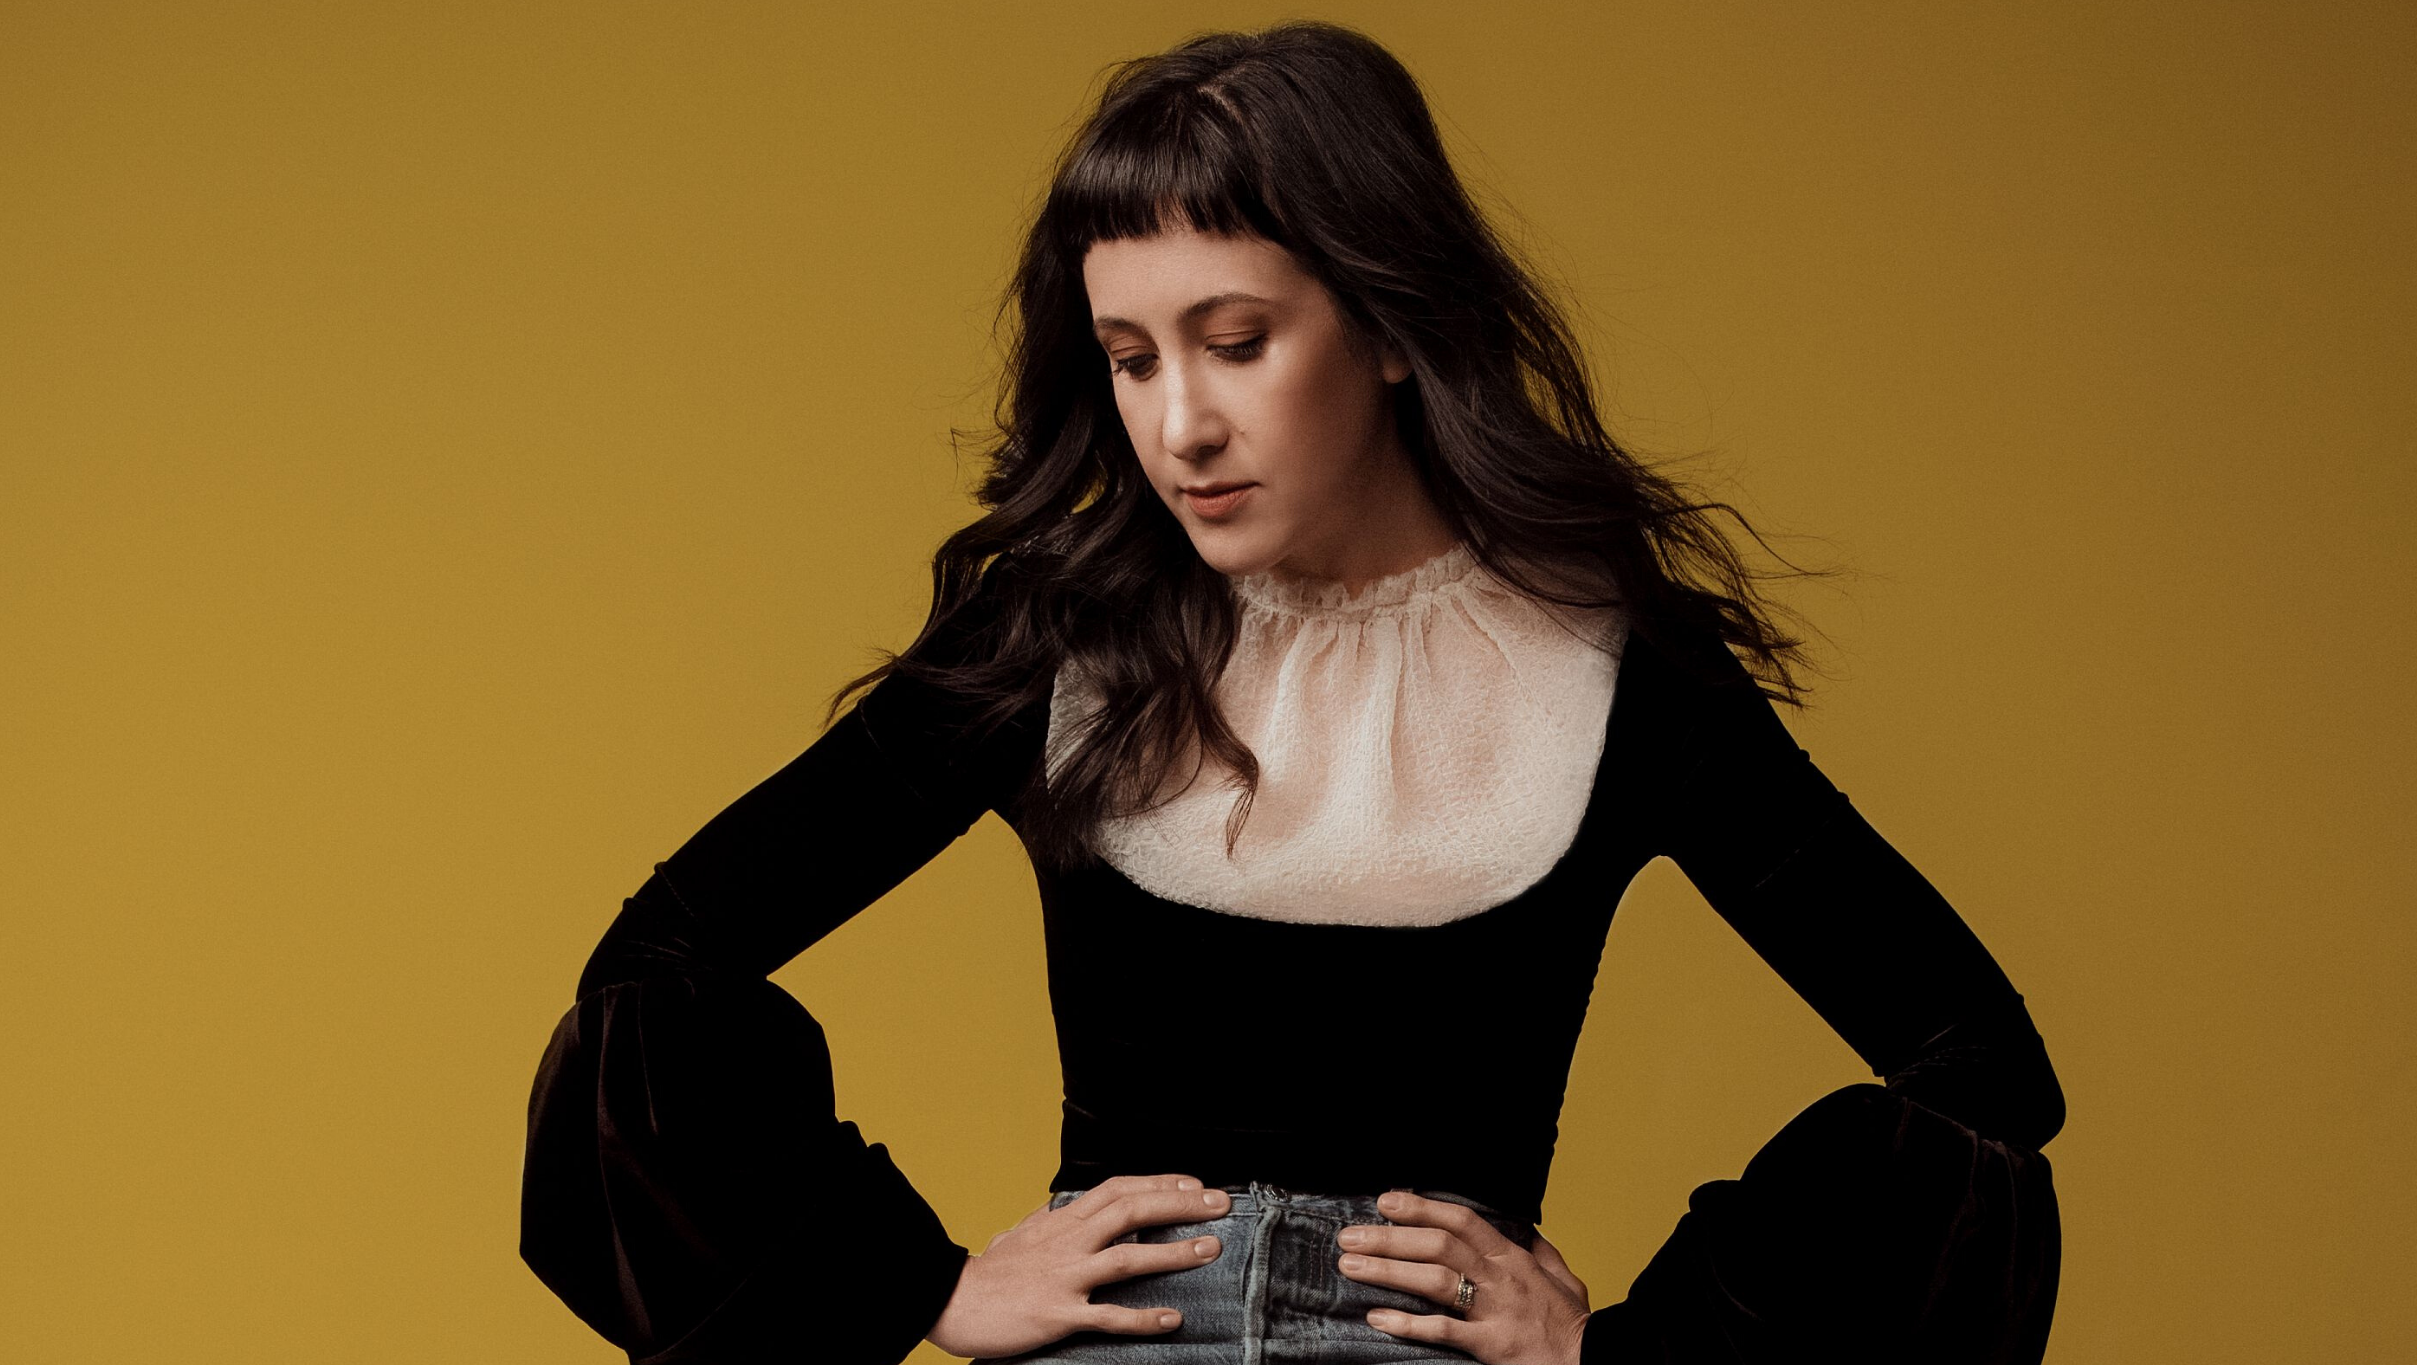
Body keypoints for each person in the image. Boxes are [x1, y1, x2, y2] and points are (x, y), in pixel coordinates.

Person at [519, 20, 2065, 1365]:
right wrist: (918, 1285)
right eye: (1131, 359)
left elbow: (1977, 1066)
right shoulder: (1054, 641)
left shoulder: (1621, 669)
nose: (1178, 424)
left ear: (1391, 324)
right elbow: (656, 971)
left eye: (1235, 341)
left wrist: (1636, 1349)